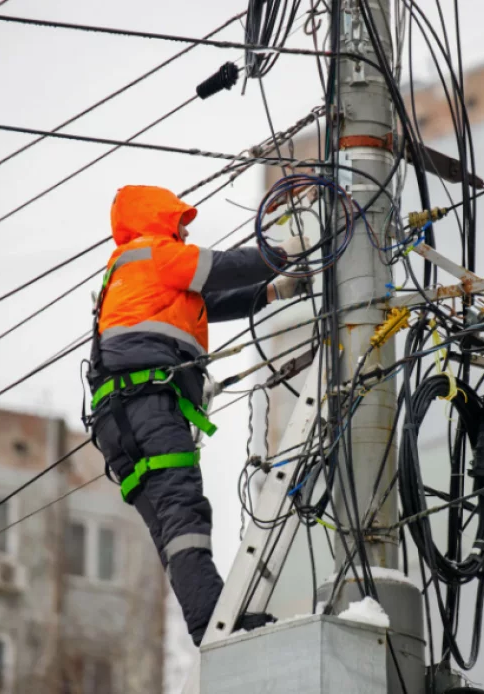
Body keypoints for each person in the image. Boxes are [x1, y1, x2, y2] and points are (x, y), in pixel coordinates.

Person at [84, 185, 308, 645]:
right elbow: (216, 268)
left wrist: (271, 291)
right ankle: (212, 626)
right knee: (183, 512)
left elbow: (206, 303)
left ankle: (209, 622)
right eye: (179, 220)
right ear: (157, 218)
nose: (185, 229)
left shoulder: (129, 272)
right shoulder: (154, 252)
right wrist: (284, 253)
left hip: (118, 419)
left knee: (172, 527)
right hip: (148, 407)